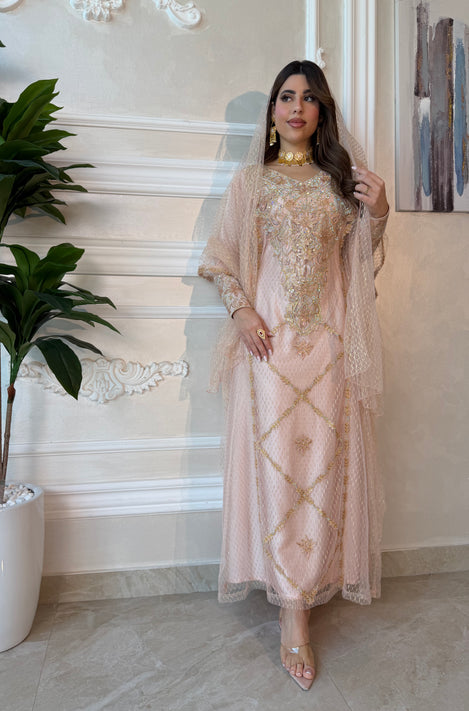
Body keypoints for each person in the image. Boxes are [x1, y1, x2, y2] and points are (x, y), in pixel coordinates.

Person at [198, 60, 389, 691]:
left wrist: (381, 213)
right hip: (270, 350)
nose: (296, 107)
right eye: (286, 96)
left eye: (308, 97)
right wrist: (242, 310)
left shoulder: (341, 183)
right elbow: (221, 258)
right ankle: (291, 612)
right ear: (274, 111)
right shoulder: (251, 182)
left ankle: (308, 587)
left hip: (330, 349)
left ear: (322, 110)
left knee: (324, 468)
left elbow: (361, 266)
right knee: (279, 469)